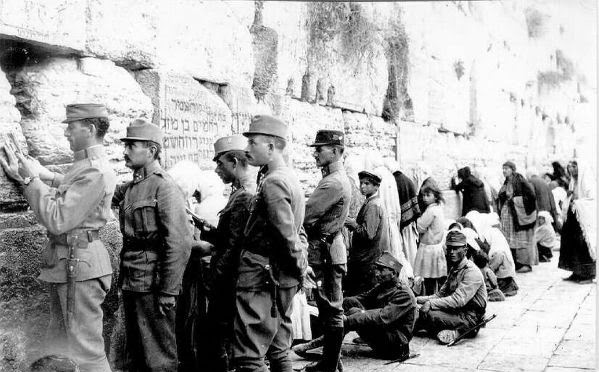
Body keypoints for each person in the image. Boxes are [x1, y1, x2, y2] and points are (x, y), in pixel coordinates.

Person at [0, 104, 116, 372]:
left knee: (86, 352)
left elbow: (59, 218)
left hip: (79, 265)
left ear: (89, 129)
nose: (66, 133)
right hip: (71, 262)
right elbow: (74, 189)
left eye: (71, 127)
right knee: (63, 346)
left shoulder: (95, 170)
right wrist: (47, 176)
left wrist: (30, 179)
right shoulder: (87, 166)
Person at [112, 119, 192, 371]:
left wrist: (168, 290)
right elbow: (97, 190)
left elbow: (178, 243)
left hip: (154, 284)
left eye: (131, 146)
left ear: (152, 150)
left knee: (158, 356)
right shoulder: (133, 186)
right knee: (137, 353)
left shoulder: (164, 186)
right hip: (133, 280)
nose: (125, 152)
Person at [233, 115, 308, 372]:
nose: (247, 149)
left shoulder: (274, 181)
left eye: (252, 142)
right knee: (278, 348)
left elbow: (287, 235)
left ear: (272, 147)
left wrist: (300, 268)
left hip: (262, 274)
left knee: (249, 354)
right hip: (278, 274)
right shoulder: (284, 176)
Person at [195, 135, 255, 371]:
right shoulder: (240, 191)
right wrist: (210, 231)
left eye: (220, 163)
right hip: (232, 277)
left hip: (228, 279)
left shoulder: (244, 195)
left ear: (234, 162)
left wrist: (215, 278)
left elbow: (232, 247)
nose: (217, 169)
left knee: (219, 338)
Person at [300, 130, 351, 372]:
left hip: (326, 253)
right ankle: (331, 361)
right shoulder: (336, 178)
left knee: (331, 309)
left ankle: (329, 365)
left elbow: (306, 215)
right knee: (329, 307)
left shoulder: (332, 182)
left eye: (320, 148)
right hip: (331, 248)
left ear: (335, 150)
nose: (315, 153)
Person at [416, 230, 487, 345]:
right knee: (419, 308)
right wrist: (417, 299)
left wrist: (430, 304)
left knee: (428, 314)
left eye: (456, 248)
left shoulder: (472, 272)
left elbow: (457, 300)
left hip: (469, 318)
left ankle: (462, 331)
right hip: (457, 313)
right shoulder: (455, 269)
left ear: (465, 250)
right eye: (449, 248)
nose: (452, 252)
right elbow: (440, 295)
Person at [342, 252, 417, 360]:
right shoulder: (384, 285)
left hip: (395, 345)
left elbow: (382, 317)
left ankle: (330, 352)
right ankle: (330, 342)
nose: (377, 273)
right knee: (349, 302)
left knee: (354, 312)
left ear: (393, 272)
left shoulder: (404, 294)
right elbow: (362, 299)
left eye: (381, 270)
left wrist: (349, 319)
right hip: (386, 333)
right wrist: (336, 307)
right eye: (377, 269)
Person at [344, 170, 388, 296]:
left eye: (367, 183)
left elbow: (368, 234)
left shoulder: (373, 205)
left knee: (361, 292)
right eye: (361, 183)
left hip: (366, 259)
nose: (362, 186)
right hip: (366, 257)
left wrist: (353, 224)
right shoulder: (370, 201)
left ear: (376, 186)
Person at [558, 160, 596, 283]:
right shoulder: (573, 182)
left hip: (583, 220)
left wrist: (577, 202)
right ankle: (576, 271)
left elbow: (592, 199)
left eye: (574, 166)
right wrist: (568, 198)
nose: (571, 168)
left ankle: (587, 275)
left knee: (582, 245)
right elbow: (571, 198)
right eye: (569, 166)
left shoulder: (587, 180)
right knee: (571, 244)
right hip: (573, 218)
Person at [467, 211, 518, 296]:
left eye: (487, 240)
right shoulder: (500, 246)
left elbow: (493, 266)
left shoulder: (498, 251)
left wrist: (487, 269)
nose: (486, 242)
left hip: (503, 276)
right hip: (506, 274)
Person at [497, 161, 537, 273]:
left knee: (520, 239)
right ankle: (514, 262)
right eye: (503, 168)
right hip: (509, 217)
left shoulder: (519, 180)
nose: (504, 171)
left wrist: (514, 201)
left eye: (507, 168)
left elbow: (531, 195)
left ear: (512, 169)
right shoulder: (507, 181)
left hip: (518, 216)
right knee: (511, 239)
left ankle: (524, 264)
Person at [413, 184, 447, 295]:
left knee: (428, 278)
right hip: (437, 247)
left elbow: (420, 226)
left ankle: (429, 298)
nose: (425, 198)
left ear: (435, 197)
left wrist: (416, 220)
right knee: (437, 277)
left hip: (429, 248)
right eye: (423, 195)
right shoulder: (439, 208)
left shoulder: (431, 211)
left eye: (428, 195)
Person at [390, 162, 421, 271]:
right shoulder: (407, 180)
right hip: (411, 224)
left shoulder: (394, 181)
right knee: (412, 251)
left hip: (403, 227)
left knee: (406, 251)